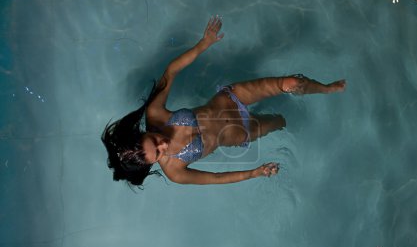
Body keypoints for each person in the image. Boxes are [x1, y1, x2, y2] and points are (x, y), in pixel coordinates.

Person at [101, 15, 346, 187]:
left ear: (142, 133)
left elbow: (171, 71)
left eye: (154, 140)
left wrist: (202, 45)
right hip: (240, 132)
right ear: (151, 165)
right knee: (280, 121)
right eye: (158, 153)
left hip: (230, 99)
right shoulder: (175, 171)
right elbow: (216, 179)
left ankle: (325, 89)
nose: (163, 144)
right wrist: (254, 172)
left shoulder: (155, 115)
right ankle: (284, 116)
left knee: (291, 83)